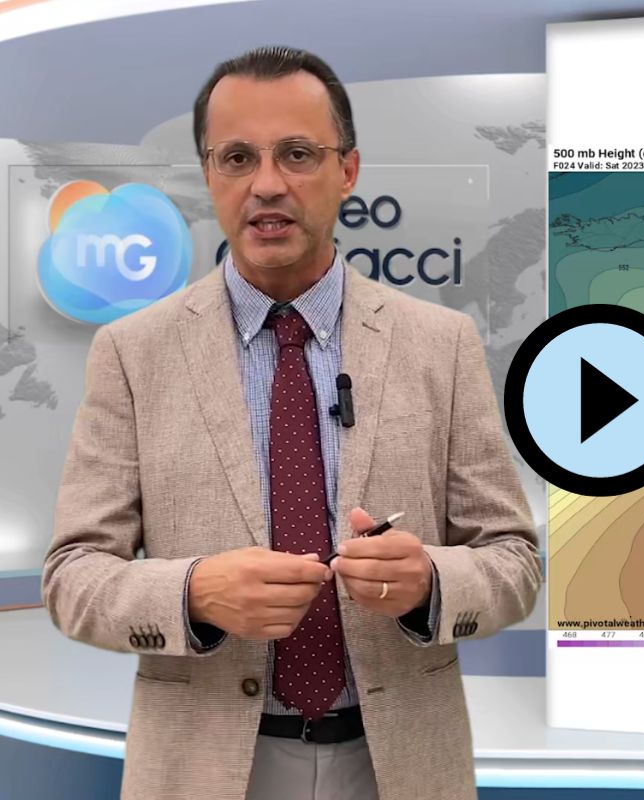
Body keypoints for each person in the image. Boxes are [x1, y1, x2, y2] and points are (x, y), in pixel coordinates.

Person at [42, 45, 541, 800]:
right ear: (209, 174)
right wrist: (193, 593)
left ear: (348, 170)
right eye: (237, 157)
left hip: (399, 764)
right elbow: (74, 577)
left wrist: (430, 583)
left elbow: (513, 559)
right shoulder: (132, 353)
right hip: (204, 769)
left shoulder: (439, 343)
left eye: (298, 154)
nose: (267, 184)